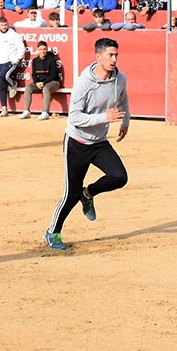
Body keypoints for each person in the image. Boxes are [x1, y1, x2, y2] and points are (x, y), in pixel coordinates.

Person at [44, 37, 130, 250]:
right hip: (77, 142)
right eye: (110, 55)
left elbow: (123, 98)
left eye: (116, 55)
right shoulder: (84, 82)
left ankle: (88, 193)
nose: (114, 59)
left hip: (99, 142)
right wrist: (104, 118)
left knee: (119, 177)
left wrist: (125, 121)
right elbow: (74, 118)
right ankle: (52, 232)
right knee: (70, 194)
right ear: (98, 57)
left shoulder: (120, 78)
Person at [18, 41, 61, 121]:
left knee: (46, 88)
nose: (43, 51)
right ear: (37, 49)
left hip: (53, 82)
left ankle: (45, 112)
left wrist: (44, 83)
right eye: (41, 49)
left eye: (44, 49)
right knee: (28, 88)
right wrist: (36, 83)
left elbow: (53, 75)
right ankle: (26, 111)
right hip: (40, 83)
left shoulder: (52, 60)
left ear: (47, 49)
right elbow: (34, 74)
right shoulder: (35, 61)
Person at [0, 16, 26, 117]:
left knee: (4, 76)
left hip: (10, 61)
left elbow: (21, 49)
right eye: (1, 25)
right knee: (1, 86)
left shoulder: (14, 35)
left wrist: (15, 59)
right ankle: (4, 108)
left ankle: (13, 84)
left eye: (5, 25)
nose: (4, 27)